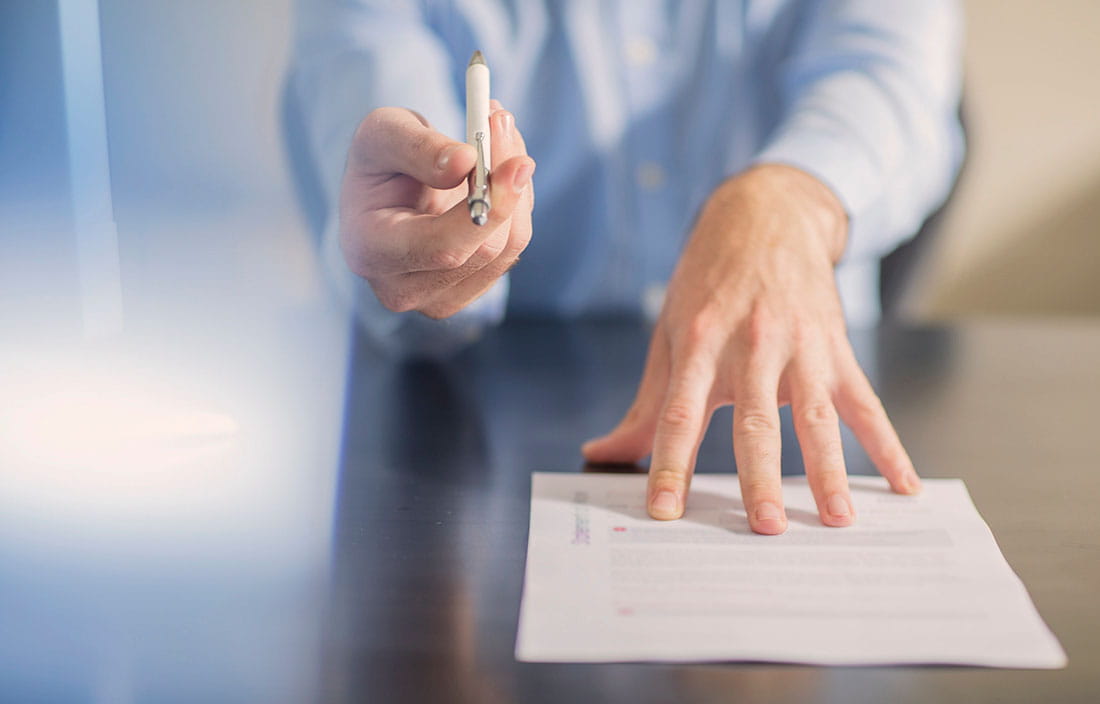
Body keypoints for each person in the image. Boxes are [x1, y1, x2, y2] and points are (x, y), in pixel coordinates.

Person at [289, 1, 964, 534]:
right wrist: (428, 228)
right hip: (467, 433)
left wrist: (796, 196)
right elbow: (374, 101)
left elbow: (893, 80)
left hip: (801, 391)